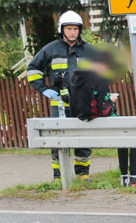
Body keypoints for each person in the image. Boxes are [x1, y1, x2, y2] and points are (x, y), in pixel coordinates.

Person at [26, 11, 96, 182]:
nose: (72, 32)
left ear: (80, 30)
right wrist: (44, 89)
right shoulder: (50, 49)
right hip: (59, 103)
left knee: (83, 138)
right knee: (57, 138)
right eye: (69, 28)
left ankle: (82, 174)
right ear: (62, 30)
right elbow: (33, 69)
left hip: (83, 103)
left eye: (75, 29)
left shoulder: (88, 50)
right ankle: (59, 176)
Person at [68, 51, 136, 188]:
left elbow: (74, 106)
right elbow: (105, 109)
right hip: (101, 124)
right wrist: (111, 99)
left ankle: (125, 178)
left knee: (124, 139)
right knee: (134, 137)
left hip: (81, 123)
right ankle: (131, 178)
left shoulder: (74, 79)